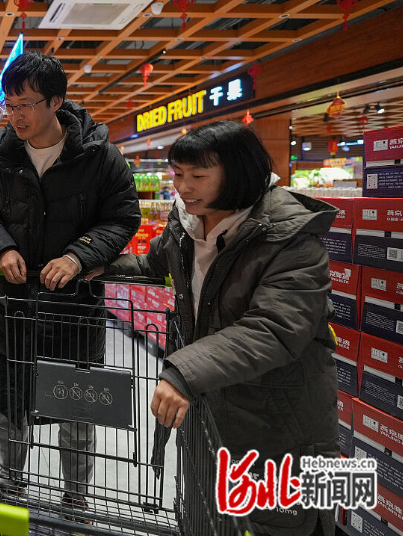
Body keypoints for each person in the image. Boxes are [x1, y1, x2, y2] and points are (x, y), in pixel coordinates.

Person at [90, 121, 339, 536]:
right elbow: (156, 265)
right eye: (178, 174)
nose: (184, 187)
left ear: (236, 173)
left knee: (273, 521)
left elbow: (275, 327)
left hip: (277, 418)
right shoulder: (187, 222)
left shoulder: (290, 237)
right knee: (208, 512)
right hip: (212, 410)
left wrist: (184, 372)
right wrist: (97, 266)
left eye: (198, 175)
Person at [0, 51, 141, 516]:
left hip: (75, 309)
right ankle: (10, 492)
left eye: (26, 104)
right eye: (10, 105)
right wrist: (3, 247)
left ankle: (76, 500)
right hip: (14, 306)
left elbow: (123, 217)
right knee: (10, 405)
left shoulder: (99, 157)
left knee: (75, 410)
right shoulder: (1, 155)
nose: (16, 115)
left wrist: (78, 255)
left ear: (56, 102)